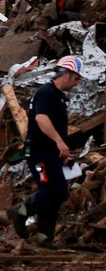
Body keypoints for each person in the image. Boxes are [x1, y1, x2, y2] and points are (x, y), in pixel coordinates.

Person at [12, 55, 84, 248]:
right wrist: (60, 142)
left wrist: (63, 149)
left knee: (59, 191)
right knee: (50, 190)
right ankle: (21, 210)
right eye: (76, 78)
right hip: (39, 151)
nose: (77, 83)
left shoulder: (59, 97)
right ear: (67, 74)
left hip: (52, 152)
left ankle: (45, 236)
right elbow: (41, 119)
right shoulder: (46, 93)